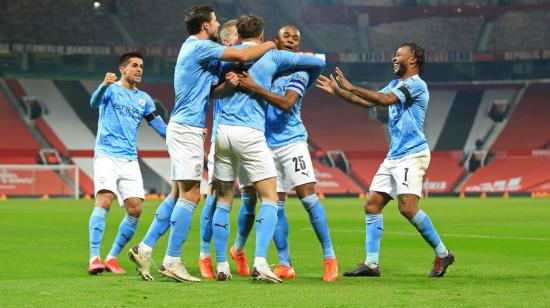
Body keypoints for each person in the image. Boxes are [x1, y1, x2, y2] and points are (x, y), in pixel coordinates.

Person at [128, 6, 275, 283]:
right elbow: (243, 54)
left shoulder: (198, 52)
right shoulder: (199, 47)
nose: (218, 24)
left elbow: (211, 92)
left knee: (176, 194)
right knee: (191, 195)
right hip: (186, 128)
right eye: (215, 20)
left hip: (186, 127)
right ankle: (172, 260)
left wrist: (229, 84)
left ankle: (144, 248)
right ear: (206, 25)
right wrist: (270, 43)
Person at [316, 42, 454, 278]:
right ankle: (371, 264)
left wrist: (351, 86)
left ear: (413, 60)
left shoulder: (417, 85)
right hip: (394, 155)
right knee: (372, 205)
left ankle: (443, 253)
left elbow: (385, 100)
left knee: (408, 208)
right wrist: (340, 92)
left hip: (412, 154)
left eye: (399, 54)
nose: (394, 58)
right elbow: (370, 102)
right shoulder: (394, 84)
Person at [210, 15, 326, 282]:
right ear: (262, 35)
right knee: (271, 198)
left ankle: (221, 265)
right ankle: (261, 262)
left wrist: (229, 83)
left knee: (225, 201)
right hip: (250, 134)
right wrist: (273, 49)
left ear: (238, 33)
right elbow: (318, 62)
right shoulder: (273, 57)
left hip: (222, 133)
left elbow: (212, 92)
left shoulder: (225, 56)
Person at [234, 25, 338, 282]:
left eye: (296, 38)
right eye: (287, 37)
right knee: (275, 204)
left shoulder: (299, 71)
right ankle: (284, 262)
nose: (292, 41)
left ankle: (329, 258)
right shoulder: (266, 68)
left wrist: (255, 88)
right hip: (265, 145)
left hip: (292, 142)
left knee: (308, 199)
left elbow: (287, 102)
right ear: (275, 41)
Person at [87, 52, 167, 275]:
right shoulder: (111, 90)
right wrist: (103, 85)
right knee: (104, 200)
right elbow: (93, 103)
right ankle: (94, 257)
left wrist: (182, 136)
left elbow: (159, 126)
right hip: (106, 154)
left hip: (129, 158)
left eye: (141, 65)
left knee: (135, 209)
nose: (139, 69)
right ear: (123, 69)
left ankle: (112, 258)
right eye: (134, 65)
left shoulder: (144, 99)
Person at [197, 18, 241, 280]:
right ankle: (205, 255)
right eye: (238, 35)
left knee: (248, 199)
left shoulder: (253, 62)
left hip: (252, 138)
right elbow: (212, 93)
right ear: (226, 41)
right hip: (222, 138)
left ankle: (242, 252)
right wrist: (228, 83)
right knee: (215, 199)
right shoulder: (219, 63)